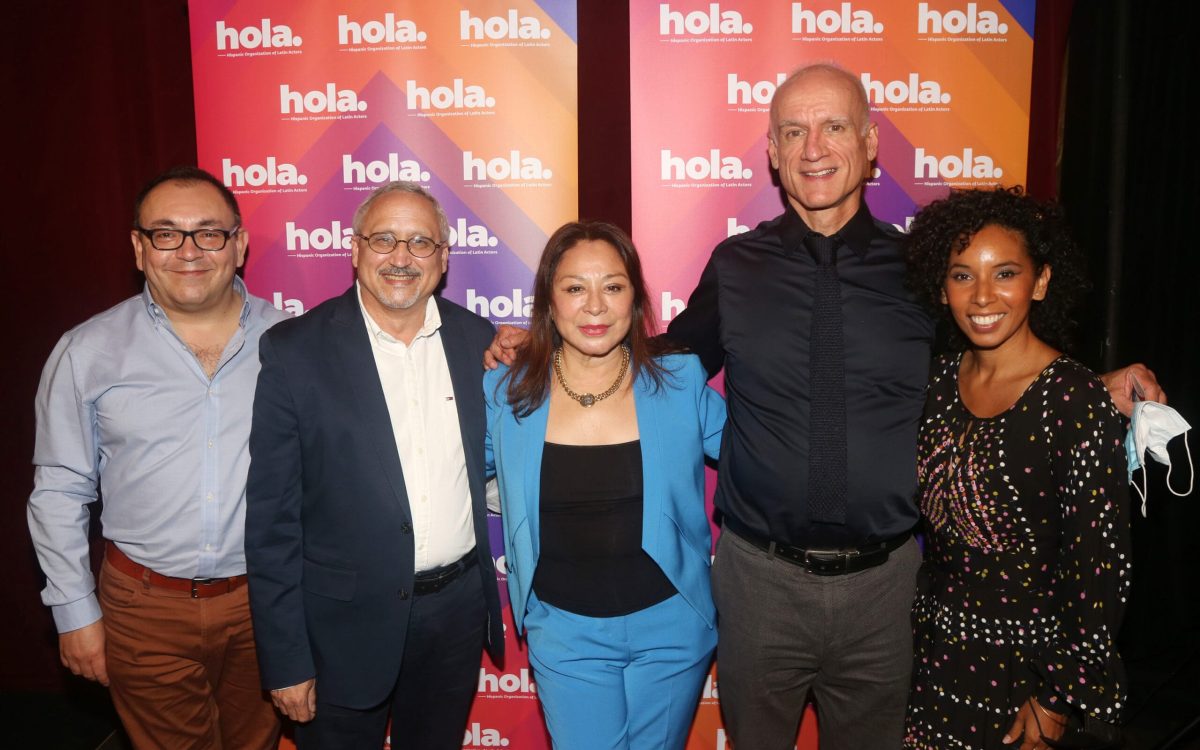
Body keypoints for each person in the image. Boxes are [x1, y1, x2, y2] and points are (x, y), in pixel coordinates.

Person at [486, 63, 1159, 749]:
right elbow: (655, 364)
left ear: (870, 145)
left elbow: (994, 354)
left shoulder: (923, 273)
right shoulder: (735, 266)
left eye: (834, 126)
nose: (814, 148)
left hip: (889, 589)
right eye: (793, 132)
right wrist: (535, 344)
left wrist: (1090, 384)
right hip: (759, 586)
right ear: (774, 156)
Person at [28, 166, 285, 749]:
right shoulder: (87, 351)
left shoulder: (293, 342)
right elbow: (59, 492)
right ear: (139, 248)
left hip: (263, 605)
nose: (189, 251)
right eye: (167, 234)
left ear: (238, 245)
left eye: (209, 233)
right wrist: (75, 613)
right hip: (143, 610)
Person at [244, 181, 503, 749]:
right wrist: (285, 658)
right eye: (384, 239)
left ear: (444, 258)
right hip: (339, 627)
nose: (402, 258)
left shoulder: (477, 341)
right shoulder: (293, 351)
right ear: (355, 249)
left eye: (420, 243)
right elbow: (272, 524)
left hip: (454, 617)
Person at [483, 221, 725, 749]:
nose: (595, 306)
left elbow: (756, 457)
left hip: (674, 627)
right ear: (548, 302)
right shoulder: (506, 390)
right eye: (574, 288)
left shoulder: (679, 380)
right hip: (565, 633)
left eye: (613, 286)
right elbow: (447, 467)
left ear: (636, 299)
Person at [903, 186, 1128, 750]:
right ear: (941, 285)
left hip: (1031, 672)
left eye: (1005, 273)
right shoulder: (935, 381)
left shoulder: (1074, 400)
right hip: (935, 658)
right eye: (962, 275)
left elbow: (1100, 568)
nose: (983, 296)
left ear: (1041, 280)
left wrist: (1058, 696)